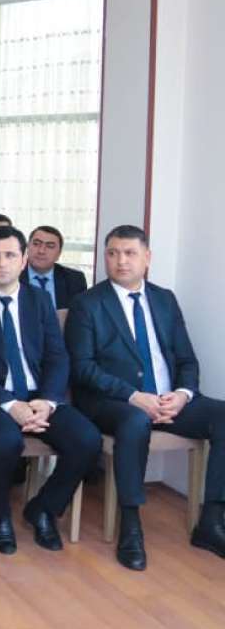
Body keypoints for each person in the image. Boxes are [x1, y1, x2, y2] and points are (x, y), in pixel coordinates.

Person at [65, 225, 225, 570]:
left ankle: (212, 521)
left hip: (168, 400)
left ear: (147, 258)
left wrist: (182, 394)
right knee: (135, 421)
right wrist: (134, 396)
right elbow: (82, 368)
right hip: (113, 402)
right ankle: (131, 524)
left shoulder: (165, 299)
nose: (121, 261)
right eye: (112, 253)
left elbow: (187, 359)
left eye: (130, 253)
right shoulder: (87, 304)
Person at [0, 226, 101, 555]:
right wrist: (10, 405)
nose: (1, 263)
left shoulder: (39, 300)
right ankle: (0, 515)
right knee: (5, 440)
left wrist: (48, 400)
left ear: (23, 260)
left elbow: (57, 356)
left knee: (87, 439)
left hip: (37, 395)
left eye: (9, 255)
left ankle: (44, 509)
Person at [22, 225, 88, 310]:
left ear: (59, 254)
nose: (41, 251)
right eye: (36, 244)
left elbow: (81, 314)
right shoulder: (12, 275)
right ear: (27, 247)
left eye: (50, 246)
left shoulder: (74, 279)